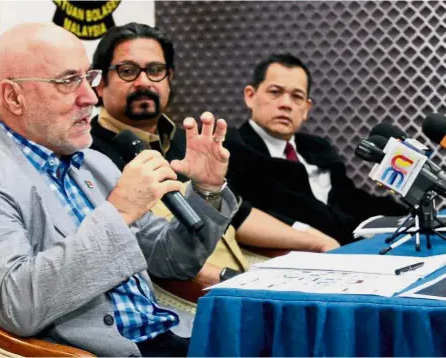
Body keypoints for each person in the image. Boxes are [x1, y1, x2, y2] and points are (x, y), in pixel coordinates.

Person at [0, 22, 240, 357]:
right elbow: (17, 304)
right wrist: (119, 212)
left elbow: (173, 261)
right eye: (68, 81)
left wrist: (207, 189)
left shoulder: (92, 164)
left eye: (88, 78)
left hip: (173, 334)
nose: (90, 97)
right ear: (14, 96)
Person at [88, 22, 340, 284]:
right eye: (128, 71)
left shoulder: (186, 142)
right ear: (99, 84)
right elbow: (143, 253)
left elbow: (239, 216)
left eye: (155, 70)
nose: (144, 82)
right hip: (196, 296)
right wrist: (233, 285)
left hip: (239, 274)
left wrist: (317, 242)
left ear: (169, 78)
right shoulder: (90, 157)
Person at [224, 53, 408, 244]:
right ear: (250, 96)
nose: (286, 104)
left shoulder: (317, 148)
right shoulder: (234, 148)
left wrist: (408, 216)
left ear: (306, 108)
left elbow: (351, 199)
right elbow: (236, 210)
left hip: (357, 240)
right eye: (275, 92)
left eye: (297, 97)